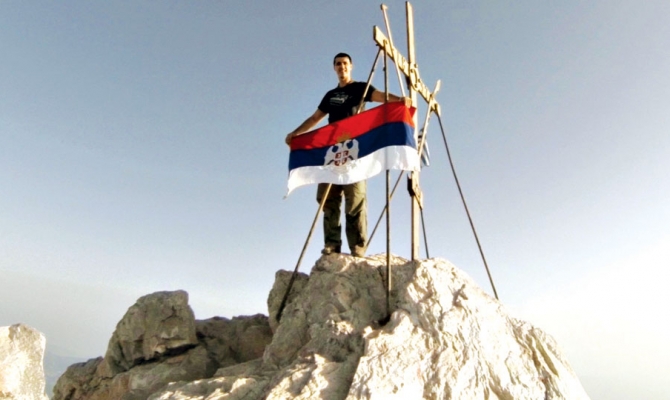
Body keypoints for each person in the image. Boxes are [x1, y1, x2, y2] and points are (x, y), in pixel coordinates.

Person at [285, 52, 410, 257]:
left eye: (345, 63)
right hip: (332, 152)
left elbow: (381, 97)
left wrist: (400, 100)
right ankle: (332, 244)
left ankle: (357, 247)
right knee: (328, 198)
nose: (341, 67)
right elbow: (315, 118)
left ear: (351, 66)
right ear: (334, 68)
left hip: (355, 150)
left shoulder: (360, 88)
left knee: (355, 198)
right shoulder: (330, 95)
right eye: (338, 64)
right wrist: (296, 133)